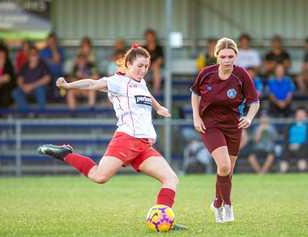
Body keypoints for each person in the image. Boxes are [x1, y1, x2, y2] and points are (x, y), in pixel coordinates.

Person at [37, 44, 186, 230]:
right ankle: (65, 153)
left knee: (171, 178)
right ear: (128, 64)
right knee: (100, 177)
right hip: (126, 139)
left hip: (143, 144)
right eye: (140, 65)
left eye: (147, 66)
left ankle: (164, 221)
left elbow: (147, 95)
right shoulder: (118, 81)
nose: (144, 70)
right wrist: (68, 85)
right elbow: (92, 83)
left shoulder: (141, 82)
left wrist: (158, 108)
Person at [191, 37, 260, 223]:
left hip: (233, 126)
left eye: (231, 56)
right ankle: (227, 206)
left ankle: (216, 203)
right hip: (210, 125)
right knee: (223, 165)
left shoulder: (242, 75)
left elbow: (254, 102)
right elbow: (195, 93)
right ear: (217, 57)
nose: (227, 60)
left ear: (236, 56)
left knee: (227, 172)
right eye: (223, 56)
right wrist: (196, 117)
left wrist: (249, 117)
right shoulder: (206, 73)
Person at [12, 46, 51, 111]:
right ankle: (27, 112)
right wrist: (23, 87)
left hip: (38, 88)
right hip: (26, 88)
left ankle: (42, 113)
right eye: (31, 54)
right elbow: (19, 79)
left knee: (40, 89)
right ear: (28, 56)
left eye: (34, 54)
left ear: (38, 55)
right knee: (15, 92)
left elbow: (47, 78)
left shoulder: (42, 64)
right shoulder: (25, 65)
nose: (33, 56)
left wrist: (32, 86)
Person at [280, 107, 308, 173]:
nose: (300, 116)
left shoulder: (306, 125)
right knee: (284, 152)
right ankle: (282, 174)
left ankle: (302, 172)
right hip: (290, 146)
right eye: (299, 114)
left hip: (304, 146)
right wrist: (290, 145)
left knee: (302, 152)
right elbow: (285, 138)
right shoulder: (290, 125)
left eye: (302, 114)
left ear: (305, 115)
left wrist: (298, 145)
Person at [143, 29, 164, 94]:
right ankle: (142, 91)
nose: (149, 38)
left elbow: (160, 59)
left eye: (151, 36)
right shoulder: (144, 48)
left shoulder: (159, 48)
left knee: (156, 68)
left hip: (157, 67)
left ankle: (156, 90)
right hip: (146, 66)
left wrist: (154, 65)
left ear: (154, 37)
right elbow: (141, 59)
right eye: (148, 36)